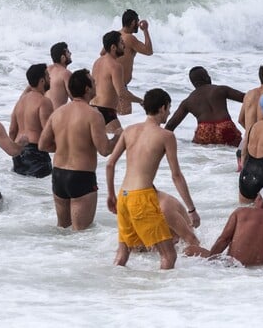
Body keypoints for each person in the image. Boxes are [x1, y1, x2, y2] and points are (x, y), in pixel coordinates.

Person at [106, 88, 199, 270]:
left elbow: (110, 164)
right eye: (169, 108)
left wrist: (111, 195)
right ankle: (160, 297)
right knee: (168, 255)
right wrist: (191, 209)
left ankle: (113, 291)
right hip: (142, 197)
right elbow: (176, 175)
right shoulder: (166, 136)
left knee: (123, 253)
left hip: (123, 196)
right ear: (163, 108)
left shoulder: (129, 131)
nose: (170, 112)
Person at [39, 69, 121, 230]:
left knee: (62, 229)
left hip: (59, 174)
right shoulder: (93, 114)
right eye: (93, 81)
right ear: (87, 89)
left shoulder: (58, 113)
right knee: (81, 234)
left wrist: (63, 146)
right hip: (81, 176)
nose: (96, 84)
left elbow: (43, 145)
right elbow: (104, 150)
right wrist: (118, 137)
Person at [203, 184, 263, 266]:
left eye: (257, 196)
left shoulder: (241, 213)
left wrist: (209, 263)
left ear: (261, 199)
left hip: (232, 267)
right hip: (256, 276)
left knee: (190, 249)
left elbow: (224, 240)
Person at [165, 66, 244, 147]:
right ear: (207, 78)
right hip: (225, 127)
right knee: (237, 150)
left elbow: (171, 125)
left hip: (204, 131)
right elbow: (246, 98)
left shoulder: (188, 101)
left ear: (193, 83)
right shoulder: (220, 89)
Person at [91, 30, 143, 133]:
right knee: (120, 143)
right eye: (121, 42)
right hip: (106, 112)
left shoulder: (97, 62)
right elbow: (122, 94)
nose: (124, 45)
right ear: (113, 47)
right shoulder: (116, 66)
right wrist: (141, 101)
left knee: (101, 146)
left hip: (92, 108)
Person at [9, 63, 53, 178]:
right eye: (48, 76)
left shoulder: (20, 102)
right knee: (39, 192)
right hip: (36, 153)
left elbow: (12, 131)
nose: (51, 78)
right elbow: (48, 132)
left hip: (18, 153)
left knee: (23, 190)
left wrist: (15, 150)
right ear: (42, 81)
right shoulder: (44, 101)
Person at [115, 9, 154, 115]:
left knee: (112, 121)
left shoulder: (114, 35)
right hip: (119, 88)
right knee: (124, 118)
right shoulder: (129, 38)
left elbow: (102, 53)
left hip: (110, 85)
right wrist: (145, 30)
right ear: (133, 23)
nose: (138, 24)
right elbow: (149, 51)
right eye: (137, 21)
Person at [45, 42, 72, 109]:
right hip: (56, 116)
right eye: (68, 52)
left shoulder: (46, 70)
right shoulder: (65, 74)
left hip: (44, 113)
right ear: (63, 58)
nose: (70, 53)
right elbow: (75, 99)